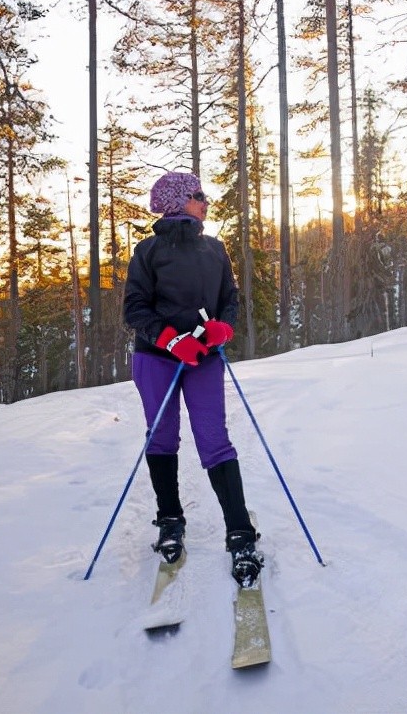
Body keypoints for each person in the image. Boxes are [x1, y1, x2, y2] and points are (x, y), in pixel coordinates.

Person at [123, 171, 262, 587]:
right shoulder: (147, 251)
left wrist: (224, 328)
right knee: (162, 437)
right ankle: (170, 521)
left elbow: (229, 299)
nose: (206, 201)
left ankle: (239, 530)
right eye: (199, 195)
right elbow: (134, 309)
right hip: (157, 359)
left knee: (214, 439)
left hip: (204, 358)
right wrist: (169, 339)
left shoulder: (214, 249)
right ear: (178, 201)